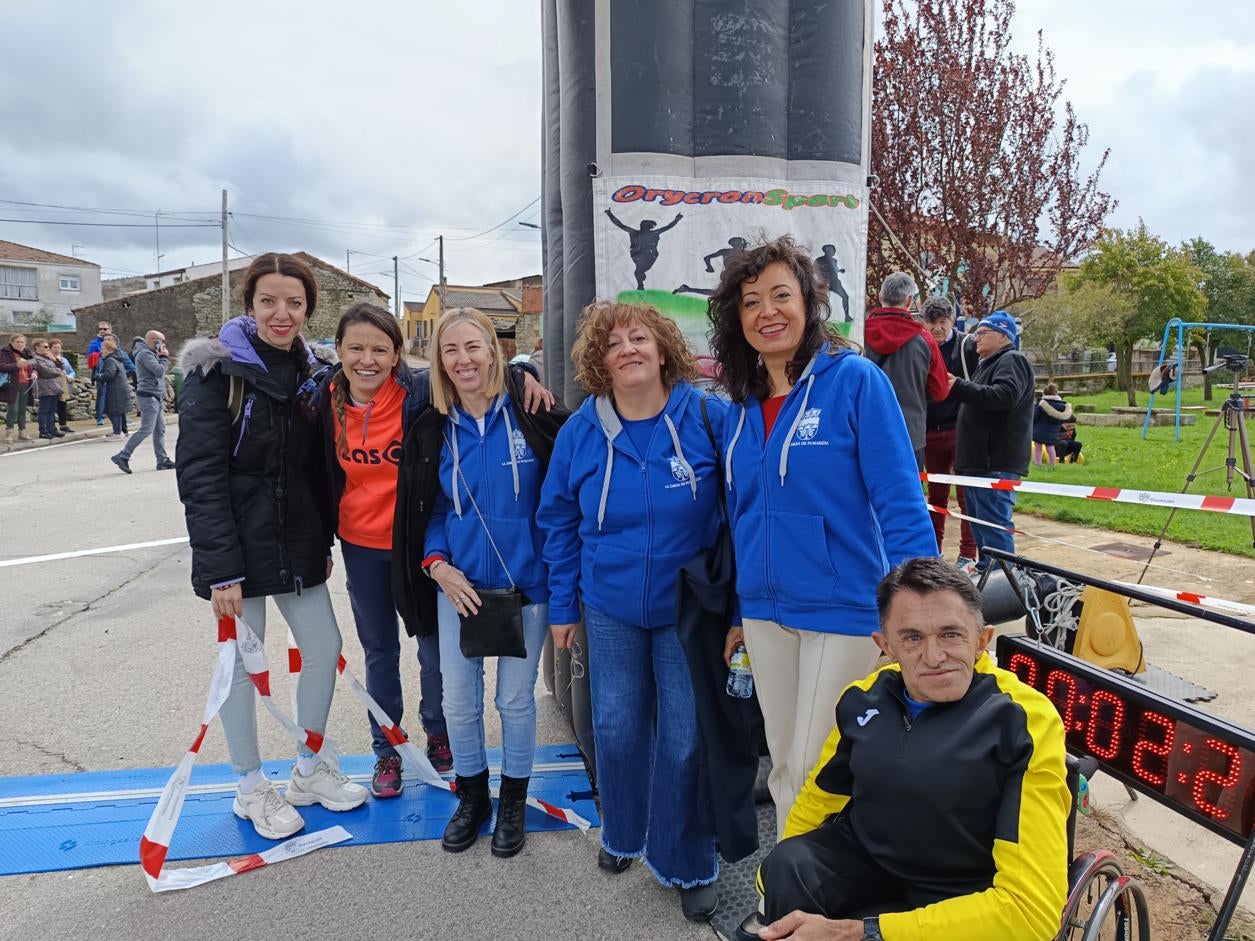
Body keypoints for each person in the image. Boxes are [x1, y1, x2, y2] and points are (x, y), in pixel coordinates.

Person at [706, 236, 937, 843]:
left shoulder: (855, 382)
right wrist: (739, 608)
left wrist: (922, 615)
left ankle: (804, 904)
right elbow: (742, 516)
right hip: (764, 613)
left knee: (815, 767)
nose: (767, 312)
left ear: (809, 303)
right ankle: (794, 891)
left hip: (845, 610)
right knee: (783, 764)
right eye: (751, 301)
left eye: (781, 295)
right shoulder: (737, 408)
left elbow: (900, 505)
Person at [753, 557, 1069, 941]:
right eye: (913, 638)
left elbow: (1030, 912)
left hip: (961, 889)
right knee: (787, 865)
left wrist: (861, 932)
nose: (934, 657)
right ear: (885, 646)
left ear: (982, 640)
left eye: (951, 635)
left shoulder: (1022, 721)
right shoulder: (862, 698)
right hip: (871, 864)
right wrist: (769, 878)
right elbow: (820, 798)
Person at [318, 302, 553, 799]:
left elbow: (481, 371)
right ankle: (389, 748)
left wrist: (523, 371)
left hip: (435, 552)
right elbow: (308, 475)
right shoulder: (325, 400)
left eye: (379, 349)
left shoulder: (418, 398)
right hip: (376, 548)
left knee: (440, 661)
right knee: (382, 651)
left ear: (398, 355)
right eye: (355, 348)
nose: (367, 359)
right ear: (337, 351)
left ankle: (441, 736)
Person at [538, 300, 723, 922]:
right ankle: (624, 833)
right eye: (612, 345)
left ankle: (688, 860)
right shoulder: (580, 432)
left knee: (684, 734)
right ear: (599, 362)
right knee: (615, 727)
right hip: (610, 604)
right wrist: (563, 606)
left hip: (687, 608)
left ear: (664, 347)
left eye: (639, 337)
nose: (627, 350)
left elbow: (745, 509)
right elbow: (558, 521)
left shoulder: (706, 416)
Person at [176, 252, 367, 841]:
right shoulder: (216, 373)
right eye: (268, 301)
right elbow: (200, 475)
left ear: (308, 309)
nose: (281, 313)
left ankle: (308, 770)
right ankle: (249, 786)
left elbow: (315, 466)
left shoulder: (316, 371)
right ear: (250, 304)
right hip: (237, 550)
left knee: (324, 646)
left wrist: (321, 538)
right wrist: (220, 569)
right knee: (240, 667)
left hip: (299, 542)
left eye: (294, 303)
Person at [421, 307, 565, 859]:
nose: (463, 360)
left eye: (473, 347)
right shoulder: (434, 425)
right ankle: (472, 794)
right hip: (458, 589)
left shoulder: (532, 413)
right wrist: (438, 564)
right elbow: (430, 511)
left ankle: (512, 799)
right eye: (450, 350)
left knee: (515, 701)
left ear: (494, 351)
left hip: (526, 587)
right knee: (458, 702)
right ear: (439, 360)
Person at [948, 311, 1035, 572]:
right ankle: (988, 570)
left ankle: (1003, 579)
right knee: (980, 525)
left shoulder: (1012, 360)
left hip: (994, 462)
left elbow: (1004, 396)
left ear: (1002, 335)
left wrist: (960, 387)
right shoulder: (987, 364)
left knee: (994, 527)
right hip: (978, 464)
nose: (976, 338)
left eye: (982, 333)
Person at [863, 272, 949, 470]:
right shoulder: (925, 340)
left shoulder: (857, 335)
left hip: (865, 432)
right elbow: (940, 391)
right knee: (907, 497)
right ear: (910, 301)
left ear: (880, 297)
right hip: (910, 435)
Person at [920, 296, 979, 571]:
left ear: (952, 321)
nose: (937, 329)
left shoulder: (967, 346)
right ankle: (934, 552)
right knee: (936, 497)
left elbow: (980, 385)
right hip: (930, 429)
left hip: (960, 429)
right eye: (932, 323)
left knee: (967, 495)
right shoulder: (920, 346)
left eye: (942, 322)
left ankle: (968, 553)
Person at [111, 331, 174, 474]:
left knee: (160, 430)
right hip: (148, 396)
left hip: (155, 395)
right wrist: (164, 358)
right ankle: (123, 455)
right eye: (161, 341)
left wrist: (161, 357)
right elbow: (159, 371)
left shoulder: (150, 353)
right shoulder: (145, 354)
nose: (163, 345)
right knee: (147, 429)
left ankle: (162, 460)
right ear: (153, 340)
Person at [604, 208, 683, 290]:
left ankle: (640, 285)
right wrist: (609, 214)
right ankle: (640, 285)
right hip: (640, 256)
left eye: (644, 226)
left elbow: (621, 225)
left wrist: (677, 219)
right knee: (639, 270)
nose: (643, 227)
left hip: (648, 256)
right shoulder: (637, 233)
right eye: (642, 226)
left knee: (639, 270)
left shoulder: (648, 233)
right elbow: (620, 225)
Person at [97, 336, 133, 439]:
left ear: (109, 350)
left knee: (114, 411)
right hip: (120, 388)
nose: (101, 351)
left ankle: (117, 433)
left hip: (115, 390)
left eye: (103, 349)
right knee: (117, 411)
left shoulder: (110, 360)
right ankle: (119, 431)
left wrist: (99, 377)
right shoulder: (118, 358)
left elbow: (109, 374)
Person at [1, 333, 34, 444]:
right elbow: (2, 366)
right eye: (18, 342)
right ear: (12, 342)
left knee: (22, 409)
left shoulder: (27, 352)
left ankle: (22, 432)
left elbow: (33, 364)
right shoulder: (4, 352)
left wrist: (34, 372)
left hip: (25, 382)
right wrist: (17, 365)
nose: (20, 344)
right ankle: (9, 432)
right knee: (13, 409)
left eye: (22, 342)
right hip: (12, 384)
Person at [1032, 383, 1074, 469]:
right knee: (1050, 447)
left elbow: (1034, 416)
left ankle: (1038, 464)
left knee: (1038, 448)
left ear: (1044, 393)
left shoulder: (1042, 405)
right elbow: (1063, 419)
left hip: (1040, 430)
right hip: (1053, 431)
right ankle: (1053, 464)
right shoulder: (1062, 406)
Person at [30, 339, 65, 440]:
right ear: (37, 347)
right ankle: (43, 430)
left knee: (52, 409)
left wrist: (54, 360)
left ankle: (52, 429)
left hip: (53, 386)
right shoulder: (34, 358)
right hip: (44, 386)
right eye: (45, 347)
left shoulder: (49, 358)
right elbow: (45, 371)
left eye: (47, 347)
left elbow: (61, 367)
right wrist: (58, 371)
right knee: (44, 410)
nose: (47, 349)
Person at [87, 321, 111, 425]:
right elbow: (90, 357)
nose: (102, 331)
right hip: (100, 372)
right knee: (101, 394)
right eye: (100, 329)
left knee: (115, 395)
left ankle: (117, 416)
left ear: (109, 330)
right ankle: (99, 417)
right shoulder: (94, 343)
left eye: (105, 329)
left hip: (113, 372)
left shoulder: (114, 342)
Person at [50, 339, 74, 433]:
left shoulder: (64, 360)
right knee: (52, 406)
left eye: (59, 347)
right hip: (52, 384)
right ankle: (51, 426)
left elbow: (71, 371)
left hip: (63, 384)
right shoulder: (48, 359)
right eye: (55, 347)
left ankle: (63, 425)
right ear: (50, 348)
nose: (57, 350)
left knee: (62, 405)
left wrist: (70, 376)